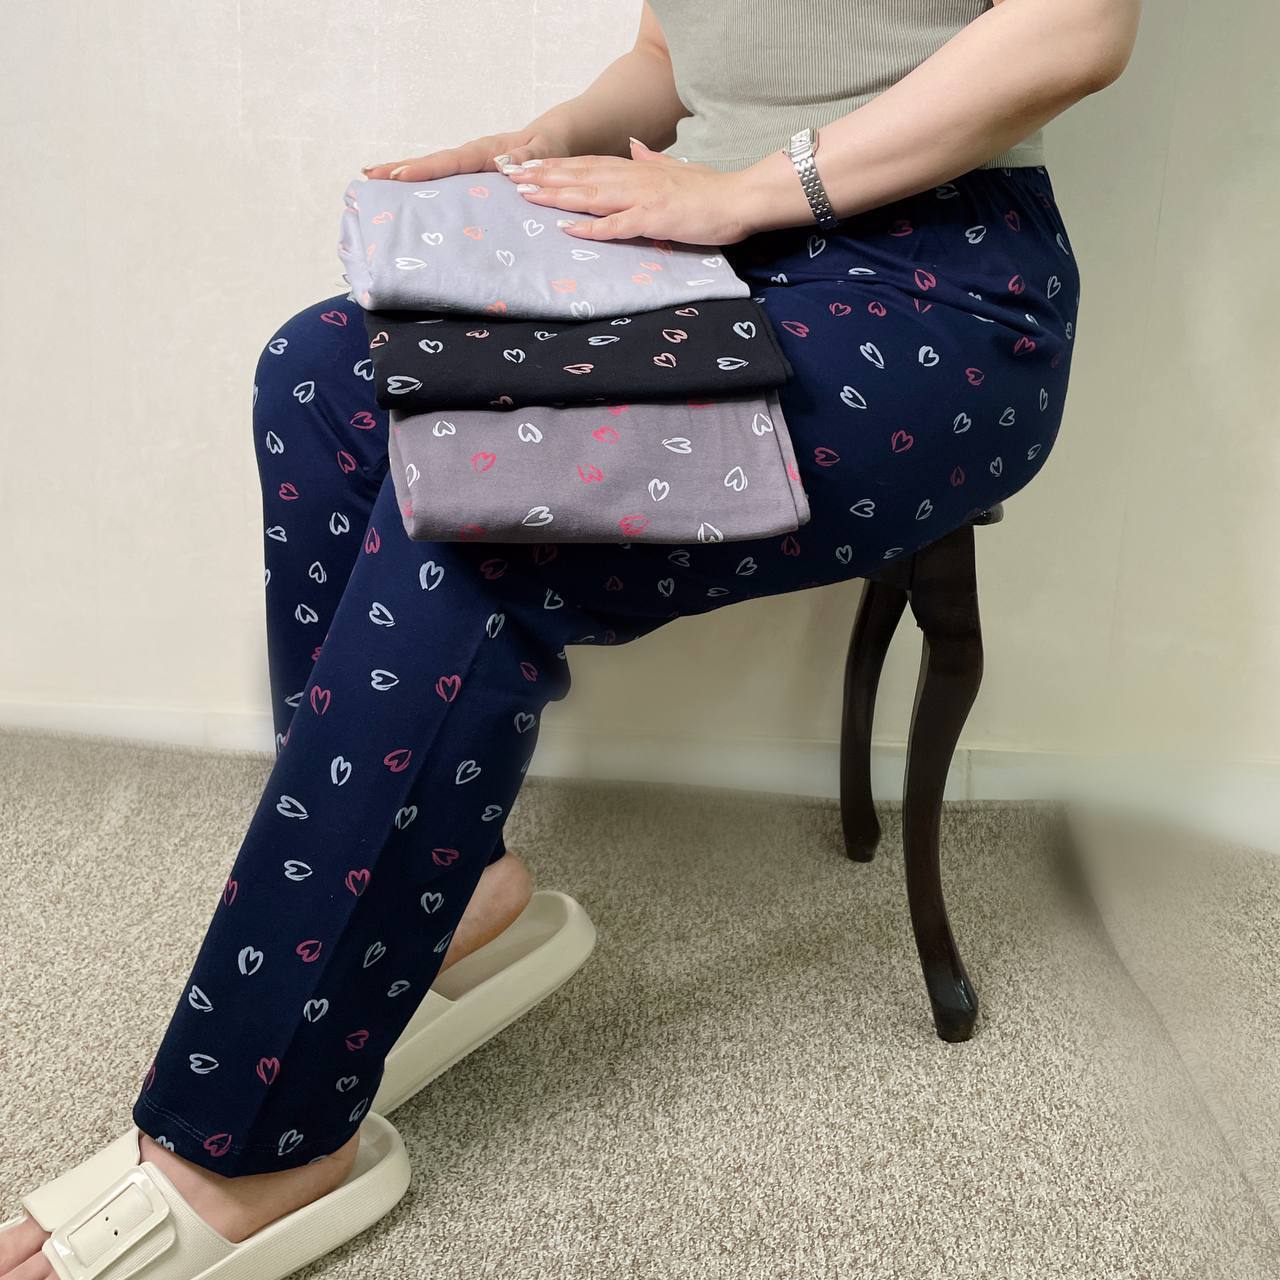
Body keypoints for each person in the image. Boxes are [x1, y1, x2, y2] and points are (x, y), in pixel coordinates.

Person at [1, 1, 1140, 1276]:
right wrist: (541, 146)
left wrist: (751, 192)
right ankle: (458, 893)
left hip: (933, 289)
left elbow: (1073, 31)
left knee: (482, 508)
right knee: (316, 377)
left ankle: (253, 1140)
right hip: (705, 248)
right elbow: (667, 57)